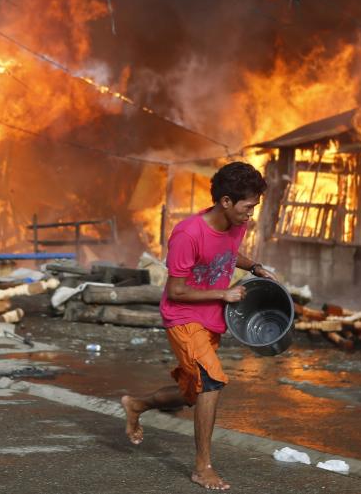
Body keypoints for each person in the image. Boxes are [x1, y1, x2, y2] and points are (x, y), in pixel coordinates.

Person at [121, 161, 277, 491]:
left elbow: (229, 254)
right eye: (248, 207)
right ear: (225, 201)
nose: (251, 214)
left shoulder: (236, 224)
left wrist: (257, 267)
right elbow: (176, 290)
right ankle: (202, 467)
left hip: (211, 322)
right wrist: (225, 293)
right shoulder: (188, 234)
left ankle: (136, 404)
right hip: (183, 319)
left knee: (192, 394)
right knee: (211, 382)